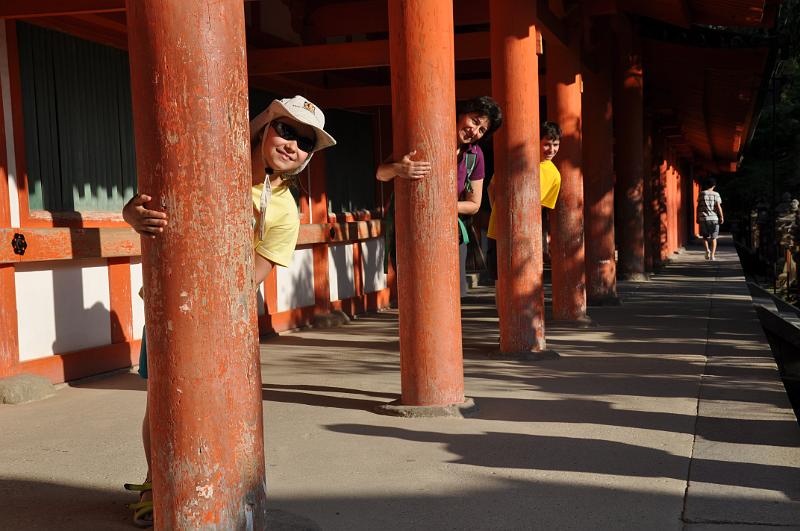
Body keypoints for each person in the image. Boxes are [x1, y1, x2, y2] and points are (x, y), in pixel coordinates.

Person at [121, 95, 336, 527]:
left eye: (305, 143)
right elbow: (148, 201)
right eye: (286, 130)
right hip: (167, 308)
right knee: (160, 400)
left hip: (224, 317)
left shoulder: (285, 211)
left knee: (218, 404)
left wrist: (206, 304)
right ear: (264, 130)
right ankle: (155, 481)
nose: (293, 144)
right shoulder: (212, 165)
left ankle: (212, 483)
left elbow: (253, 275)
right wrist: (132, 214)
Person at [375, 96, 503, 295]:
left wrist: (442, 207)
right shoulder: (425, 137)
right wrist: (399, 169)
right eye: (475, 121)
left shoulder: (474, 156)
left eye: (482, 130)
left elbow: (474, 204)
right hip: (413, 230)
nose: (474, 131)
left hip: (449, 234)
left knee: (447, 295)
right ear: (462, 113)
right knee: (415, 293)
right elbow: (381, 174)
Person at [485, 121, 563, 280]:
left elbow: (540, 210)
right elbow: (492, 187)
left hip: (525, 234)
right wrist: (498, 212)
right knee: (499, 279)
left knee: (520, 278)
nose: (552, 150)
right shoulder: (517, 162)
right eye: (547, 144)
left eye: (555, 145)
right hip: (498, 230)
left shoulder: (555, 176)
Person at [697, 177, 724, 260]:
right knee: (714, 237)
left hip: (703, 218)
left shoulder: (701, 194)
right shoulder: (716, 194)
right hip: (713, 218)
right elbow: (718, 206)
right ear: (714, 185)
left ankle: (707, 251)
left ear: (706, 185)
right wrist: (721, 216)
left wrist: (697, 217)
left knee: (704, 237)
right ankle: (712, 255)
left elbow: (698, 207)